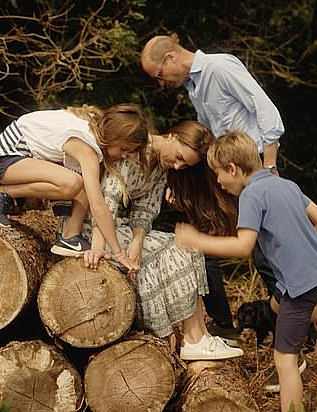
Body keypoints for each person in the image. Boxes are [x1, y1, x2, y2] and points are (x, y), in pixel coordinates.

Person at [175, 131, 317, 412]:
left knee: (284, 361)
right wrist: (299, 245)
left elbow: (243, 246)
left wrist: (198, 240)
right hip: (316, 271)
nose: (218, 182)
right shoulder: (283, 184)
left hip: (299, 282)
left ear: (233, 169)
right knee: (277, 304)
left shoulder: (251, 195)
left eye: (218, 175)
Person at [141, 34, 285, 345]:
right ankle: (223, 326)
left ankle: (298, 333)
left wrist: (269, 170)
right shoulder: (195, 87)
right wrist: (185, 186)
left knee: (268, 256)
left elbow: (267, 112)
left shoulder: (219, 69)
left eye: (158, 75)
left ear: (170, 59)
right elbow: (207, 139)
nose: (161, 83)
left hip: (254, 171)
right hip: (225, 174)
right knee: (205, 243)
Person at [82, 120, 243, 360]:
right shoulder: (135, 149)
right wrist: (104, 246)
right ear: (171, 136)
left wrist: (137, 240)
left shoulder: (161, 167)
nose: (177, 166)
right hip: (95, 226)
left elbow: (146, 209)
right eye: (178, 156)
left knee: (188, 245)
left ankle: (198, 337)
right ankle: (193, 339)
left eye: (184, 164)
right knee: (175, 247)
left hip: (120, 227)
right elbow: (107, 201)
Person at [0, 103, 147, 271]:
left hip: (22, 163)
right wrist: (119, 253)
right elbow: (98, 205)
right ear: (113, 135)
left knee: (84, 182)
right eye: (123, 148)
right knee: (72, 183)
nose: (124, 156)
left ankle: (69, 236)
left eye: (129, 152)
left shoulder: (93, 137)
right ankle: (1, 192)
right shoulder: (85, 145)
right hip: (3, 162)